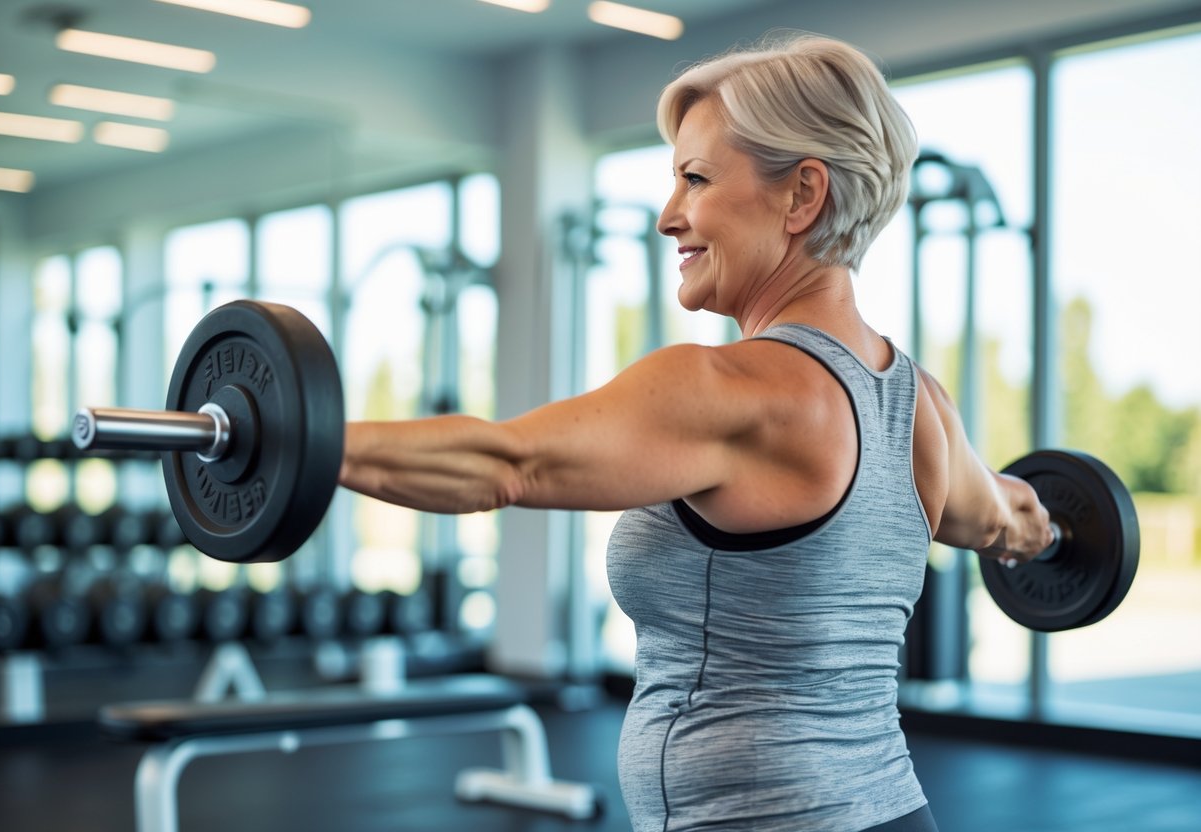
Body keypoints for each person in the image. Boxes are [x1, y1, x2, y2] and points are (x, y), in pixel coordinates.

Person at [340, 32, 1054, 832]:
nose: (667, 215)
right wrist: (1057, 532)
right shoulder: (921, 405)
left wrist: (306, 445)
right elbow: (1003, 519)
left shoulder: (730, 391)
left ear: (801, 196)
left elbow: (507, 462)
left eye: (695, 178)